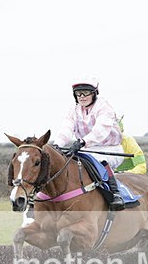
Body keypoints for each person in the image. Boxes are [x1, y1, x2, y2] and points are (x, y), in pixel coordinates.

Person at [53, 76, 125, 210]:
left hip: (110, 149)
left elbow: (101, 130)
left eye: (85, 93)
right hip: (86, 148)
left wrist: (82, 142)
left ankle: (116, 194)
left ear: (94, 93)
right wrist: (57, 145)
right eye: (78, 93)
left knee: (99, 160)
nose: (81, 96)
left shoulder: (104, 107)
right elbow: (66, 128)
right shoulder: (73, 110)